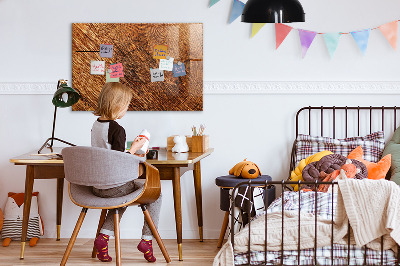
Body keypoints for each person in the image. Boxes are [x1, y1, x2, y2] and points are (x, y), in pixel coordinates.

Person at [91, 82, 161, 263]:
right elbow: (118, 161)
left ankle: (103, 238)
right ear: (118, 105)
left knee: (121, 197)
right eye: (126, 106)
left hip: (97, 186)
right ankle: (147, 240)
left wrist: (131, 149)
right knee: (156, 194)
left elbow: (108, 154)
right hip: (114, 186)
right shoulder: (117, 129)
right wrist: (136, 148)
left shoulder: (96, 125)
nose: (126, 109)